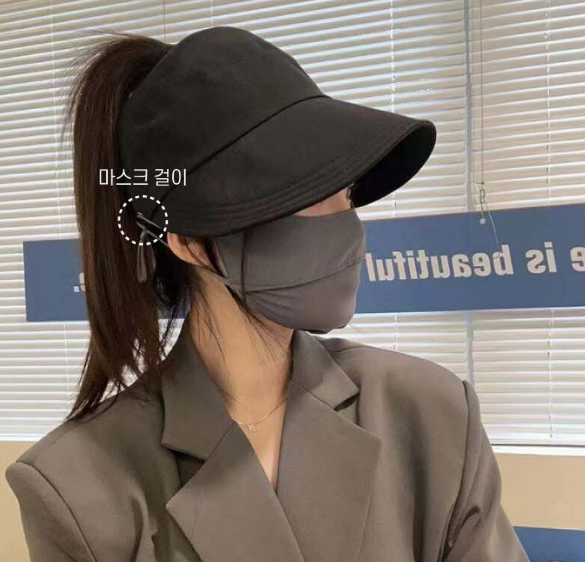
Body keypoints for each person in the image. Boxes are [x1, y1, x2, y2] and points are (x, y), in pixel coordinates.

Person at [5, 26, 530, 562]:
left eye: (346, 190)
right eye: (306, 191)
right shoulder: (79, 489)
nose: (346, 222)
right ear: (188, 241)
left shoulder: (431, 417)